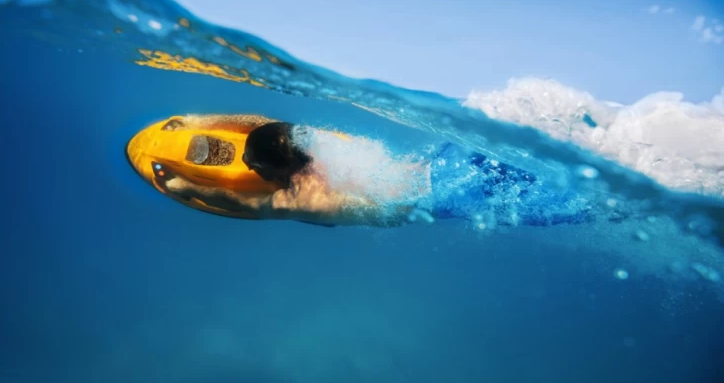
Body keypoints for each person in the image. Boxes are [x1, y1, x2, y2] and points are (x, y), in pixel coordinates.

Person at [126, 114, 589, 228]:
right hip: (448, 162)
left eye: (254, 163)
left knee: (586, 201)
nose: (246, 165)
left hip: (452, 197)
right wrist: (208, 122)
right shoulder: (316, 144)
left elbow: (238, 200)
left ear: (277, 169)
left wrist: (183, 184)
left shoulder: (300, 200)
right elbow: (263, 125)